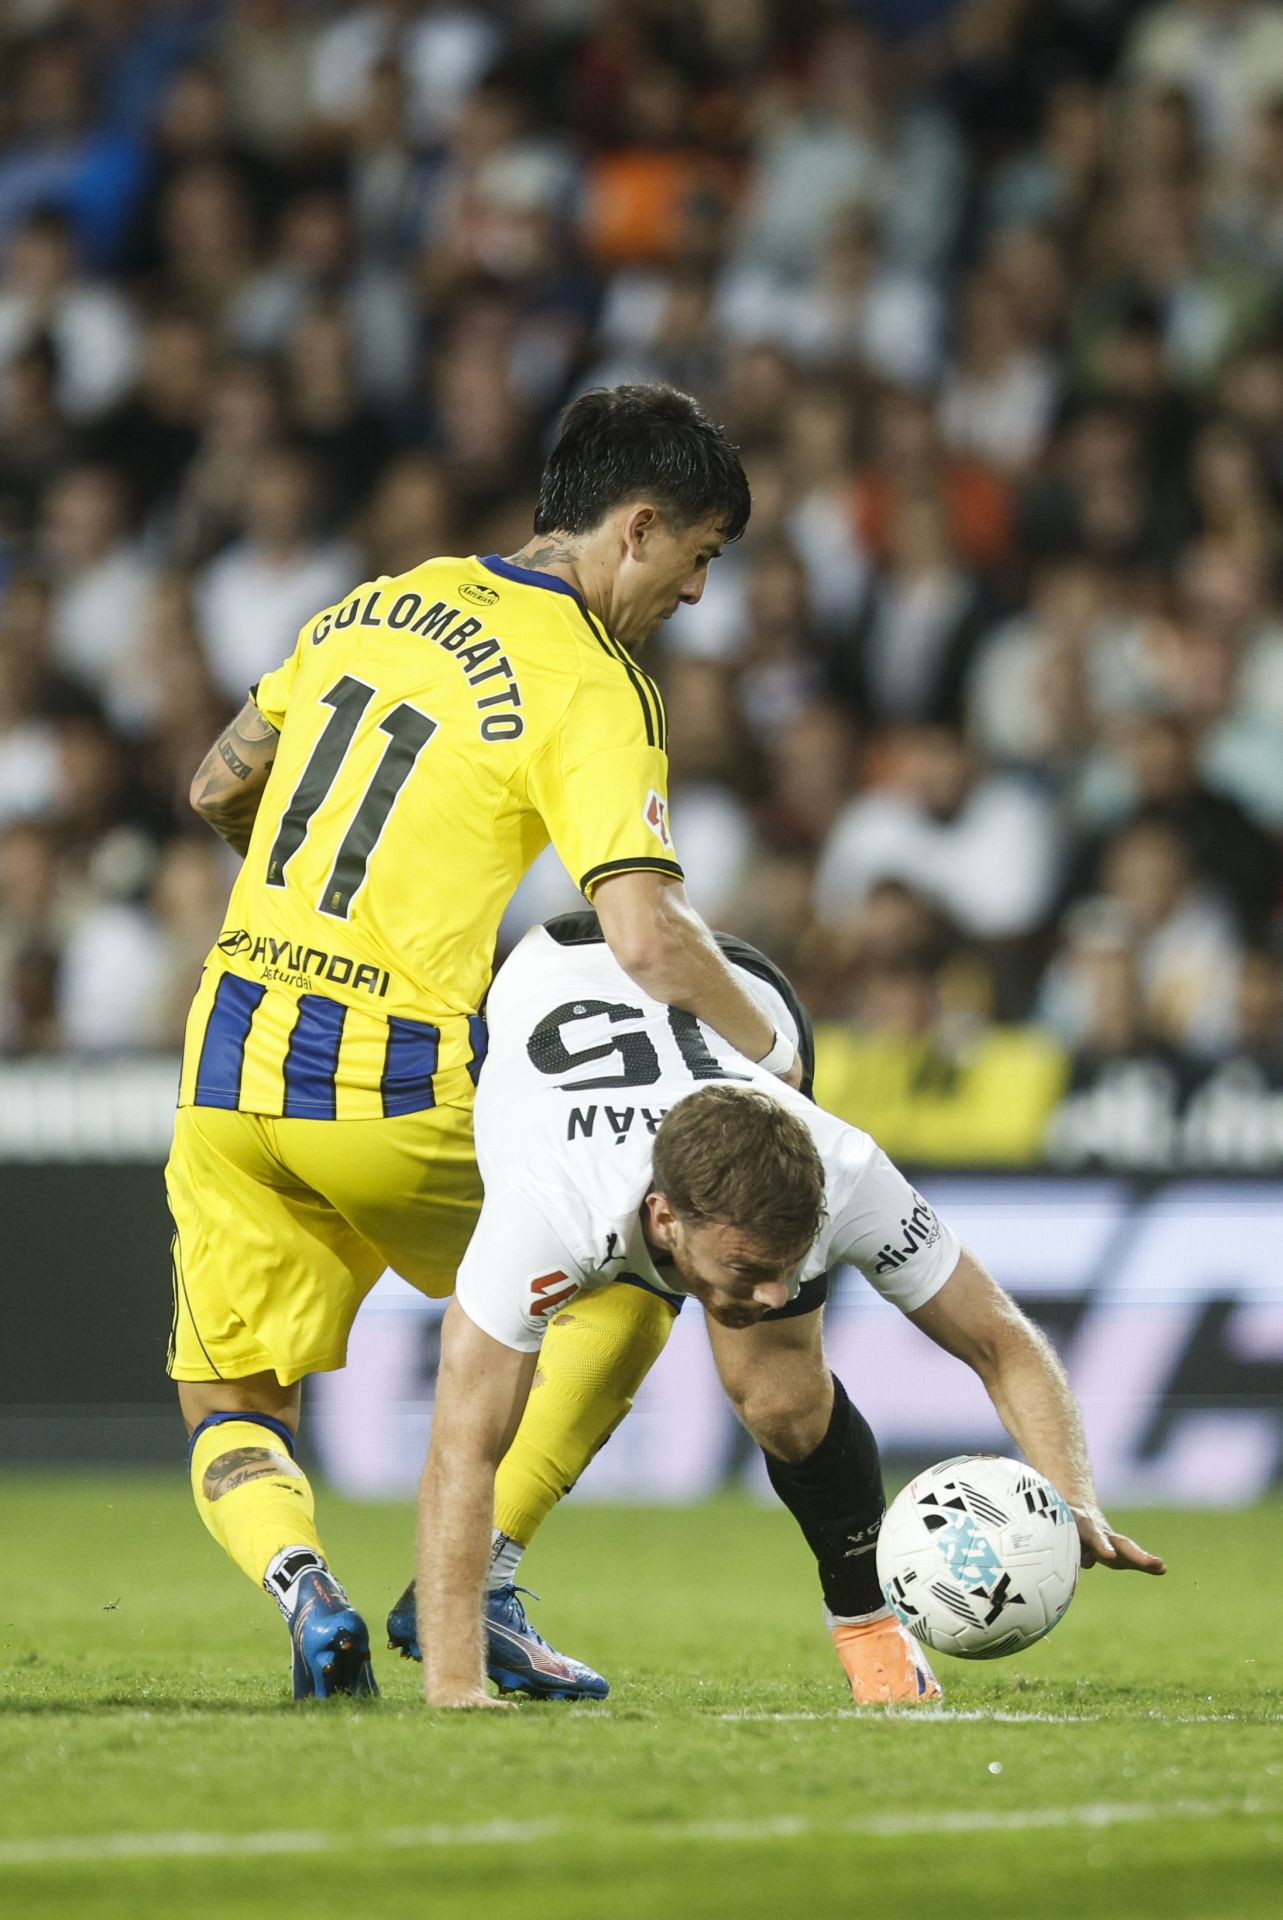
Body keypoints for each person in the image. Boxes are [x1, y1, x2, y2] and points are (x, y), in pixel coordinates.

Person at [168, 383, 805, 1699]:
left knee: (233, 1400)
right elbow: (643, 933)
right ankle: (482, 1586)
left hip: (230, 1055)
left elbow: (219, 783)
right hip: (386, 1080)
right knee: (639, 1265)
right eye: (697, 559)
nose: (694, 594)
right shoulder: (591, 678)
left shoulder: (372, 602)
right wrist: (770, 1051)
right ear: (634, 530)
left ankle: (305, 1592)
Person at [414, 912, 1166, 1711]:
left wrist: (1074, 1491)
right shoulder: (545, 1210)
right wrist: (455, 1687)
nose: (772, 1293)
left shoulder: (843, 1169)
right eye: (748, 1269)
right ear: (665, 1219)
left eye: (787, 1266)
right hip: (558, 968)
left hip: (737, 992)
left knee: (779, 1398)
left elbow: (1000, 1341)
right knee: (567, 1352)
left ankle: (867, 1623)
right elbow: (462, 1449)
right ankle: (465, 1600)